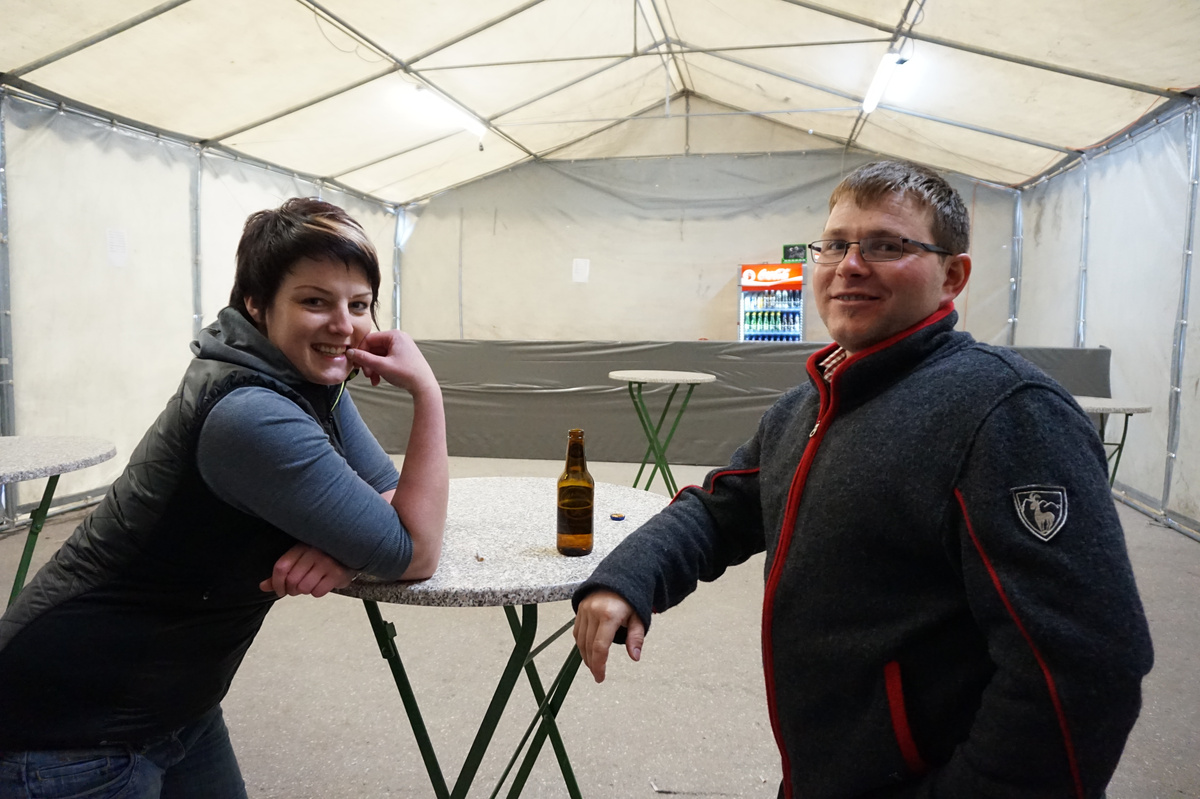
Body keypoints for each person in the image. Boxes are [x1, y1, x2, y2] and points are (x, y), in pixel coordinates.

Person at [573, 160, 1153, 799]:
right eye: (834, 245)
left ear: (952, 276)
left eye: (885, 245)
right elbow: (722, 508)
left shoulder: (1006, 412)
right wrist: (630, 575)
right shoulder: (807, 405)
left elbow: (1081, 668)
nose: (849, 265)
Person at [0, 198, 448, 798]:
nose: (344, 325)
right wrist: (429, 394)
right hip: (72, 726)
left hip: (175, 704)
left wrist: (351, 549)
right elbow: (417, 549)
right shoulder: (252, 413)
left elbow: (400, 508)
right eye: (315, 301)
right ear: (256, 304)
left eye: (359, 304)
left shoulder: (306, 381)